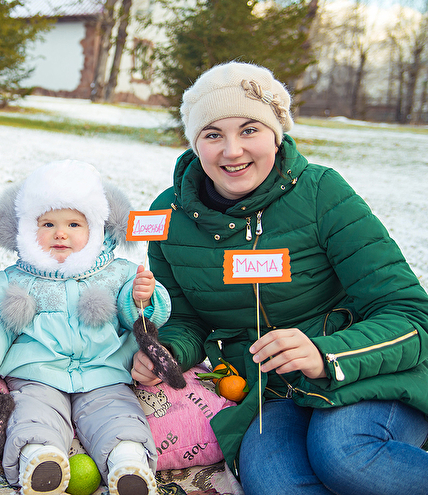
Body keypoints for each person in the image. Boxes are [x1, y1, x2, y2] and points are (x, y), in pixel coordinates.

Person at [135, 61, 428, 495]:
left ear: (276, 133)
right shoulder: (168, 214)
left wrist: (325, 354)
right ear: (195, 144)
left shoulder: (322, 193)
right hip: (269, 391)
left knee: (342, 454)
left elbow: (411, 315)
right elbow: (185, 318)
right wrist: (169, 352)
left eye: (249, 130)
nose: (232, 151)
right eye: (213, 135)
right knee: (277, 483)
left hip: (363, 370)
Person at [0, 159, 167, 495]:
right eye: (48, 223)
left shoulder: (119, 272)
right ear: (28, 229)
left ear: (95, 229)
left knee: (117, 412)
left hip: (104, 373)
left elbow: (138, 317)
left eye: (74, 224)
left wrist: (143, 297)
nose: (60, 233)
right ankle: (39, 458)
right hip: (38, 373)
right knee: (32, 411)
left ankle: (128, 461)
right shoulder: (16, 278)